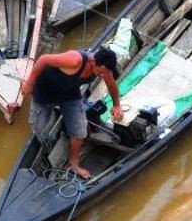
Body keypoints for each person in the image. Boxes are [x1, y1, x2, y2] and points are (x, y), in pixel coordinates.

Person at [14, 48, 124, 179]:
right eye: (99, 72)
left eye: (104, 73)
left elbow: (111, 85)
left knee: (80, 130)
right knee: (40, 130)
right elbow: (43, 59)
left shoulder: (105, 70)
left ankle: (73, 163)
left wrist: (117, 105)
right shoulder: (74, 59)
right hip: (45, 93)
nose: (101, 76)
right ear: (93, 61)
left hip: (69, 94)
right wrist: (29, 82)